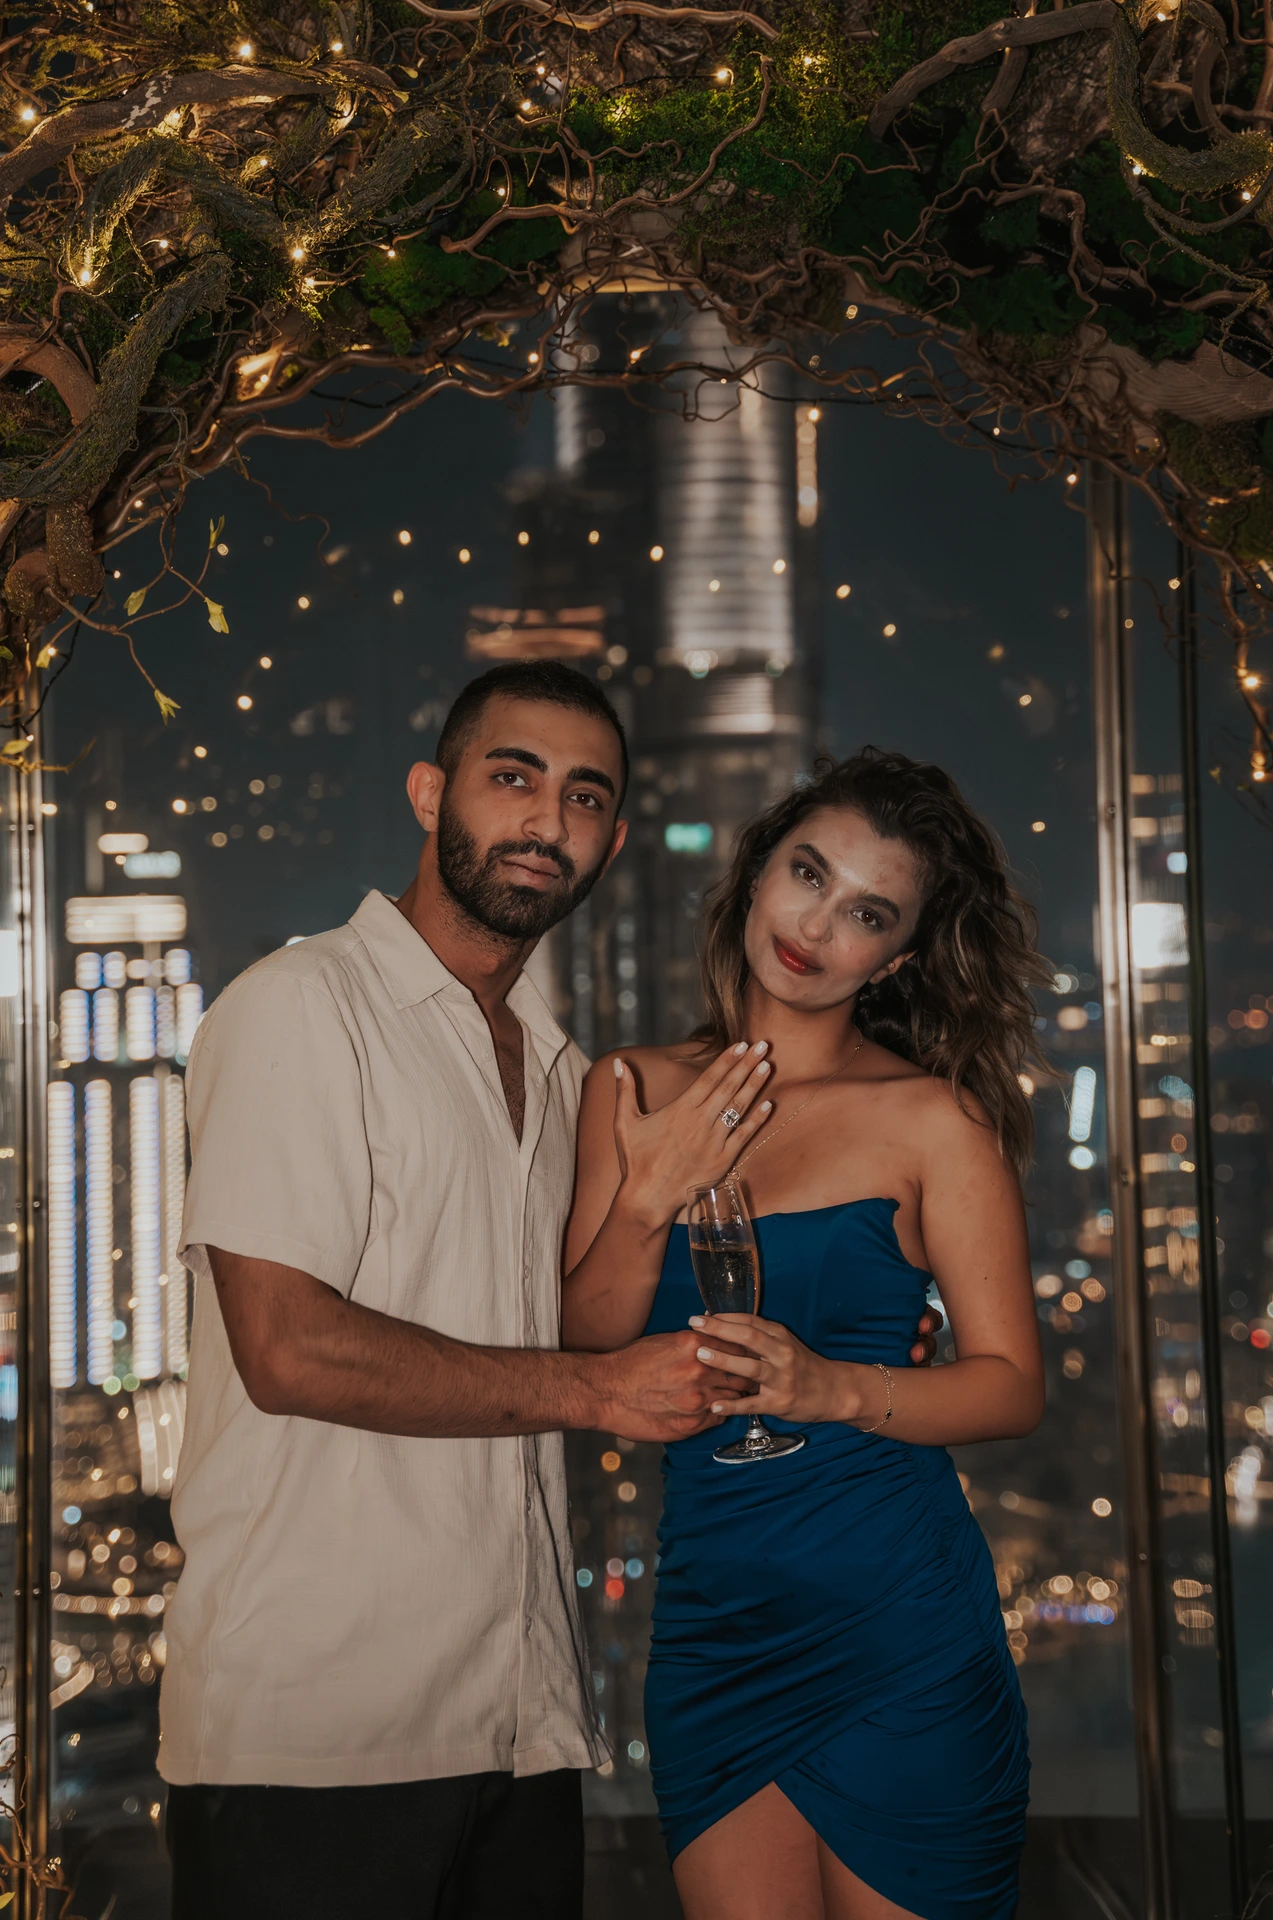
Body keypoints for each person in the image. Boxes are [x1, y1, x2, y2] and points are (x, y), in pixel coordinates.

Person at [159, 661, 759, 1920]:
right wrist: (595, 1393)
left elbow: (564, 1326)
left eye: (583, 796)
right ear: (431, 794)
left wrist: (652, 1206)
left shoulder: (558, 1067)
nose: (546, 819)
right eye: (512, 777)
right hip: (312, 1735)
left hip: (517, 1720)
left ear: (612, 842)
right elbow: (286, 1349)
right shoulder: (300, 1009)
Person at [563, 747, 1048, 1920]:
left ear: (899, 957)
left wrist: (828, 1388)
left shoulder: (930, 1119)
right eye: (807, 873)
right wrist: (647, 1193)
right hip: (715, 1625)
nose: (817, 925)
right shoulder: (627, 1087)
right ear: (755, 873)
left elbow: (1008, 1387)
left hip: (900, 1628)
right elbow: (586, 1347)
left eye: (867, 914)